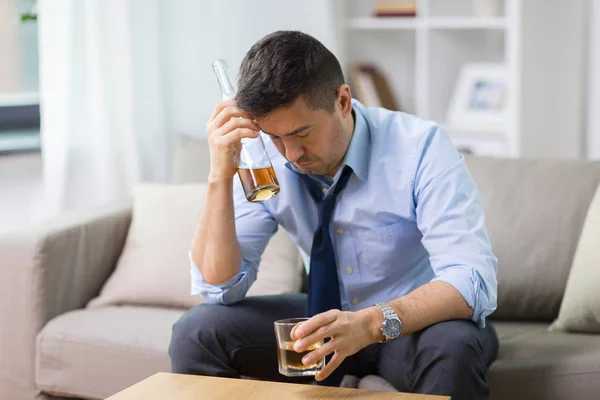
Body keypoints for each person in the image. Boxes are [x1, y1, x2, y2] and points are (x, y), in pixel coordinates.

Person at [169, 30, 499, 400]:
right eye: (275, 137)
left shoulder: (419, 147)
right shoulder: (261, 160)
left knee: (453, 345)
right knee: (198, 330)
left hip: (409, 323)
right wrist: (219, 175)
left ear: (342, 100)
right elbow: (220, 286)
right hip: (323, 319)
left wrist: (370, 323)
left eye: (302, 133)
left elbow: (472, 280)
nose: (291, 154)